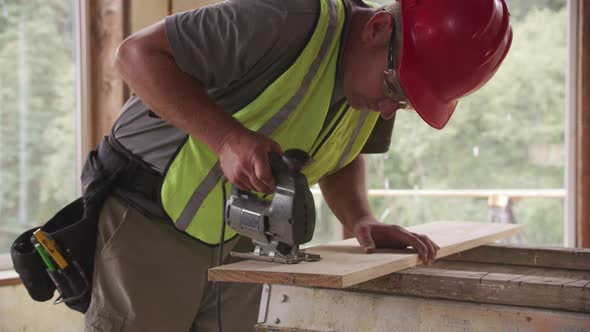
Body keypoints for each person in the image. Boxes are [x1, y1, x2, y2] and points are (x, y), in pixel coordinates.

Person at [83, 0, 512, 331]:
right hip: (147, 216)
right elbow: (135, 55)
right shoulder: (280, 19)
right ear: (377, 27)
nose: (388, 109)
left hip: (239, 237)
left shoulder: (376, 87)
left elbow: (344, 150)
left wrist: (360, 217)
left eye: (406, 102)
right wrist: (226, 138)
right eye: (396, 86)